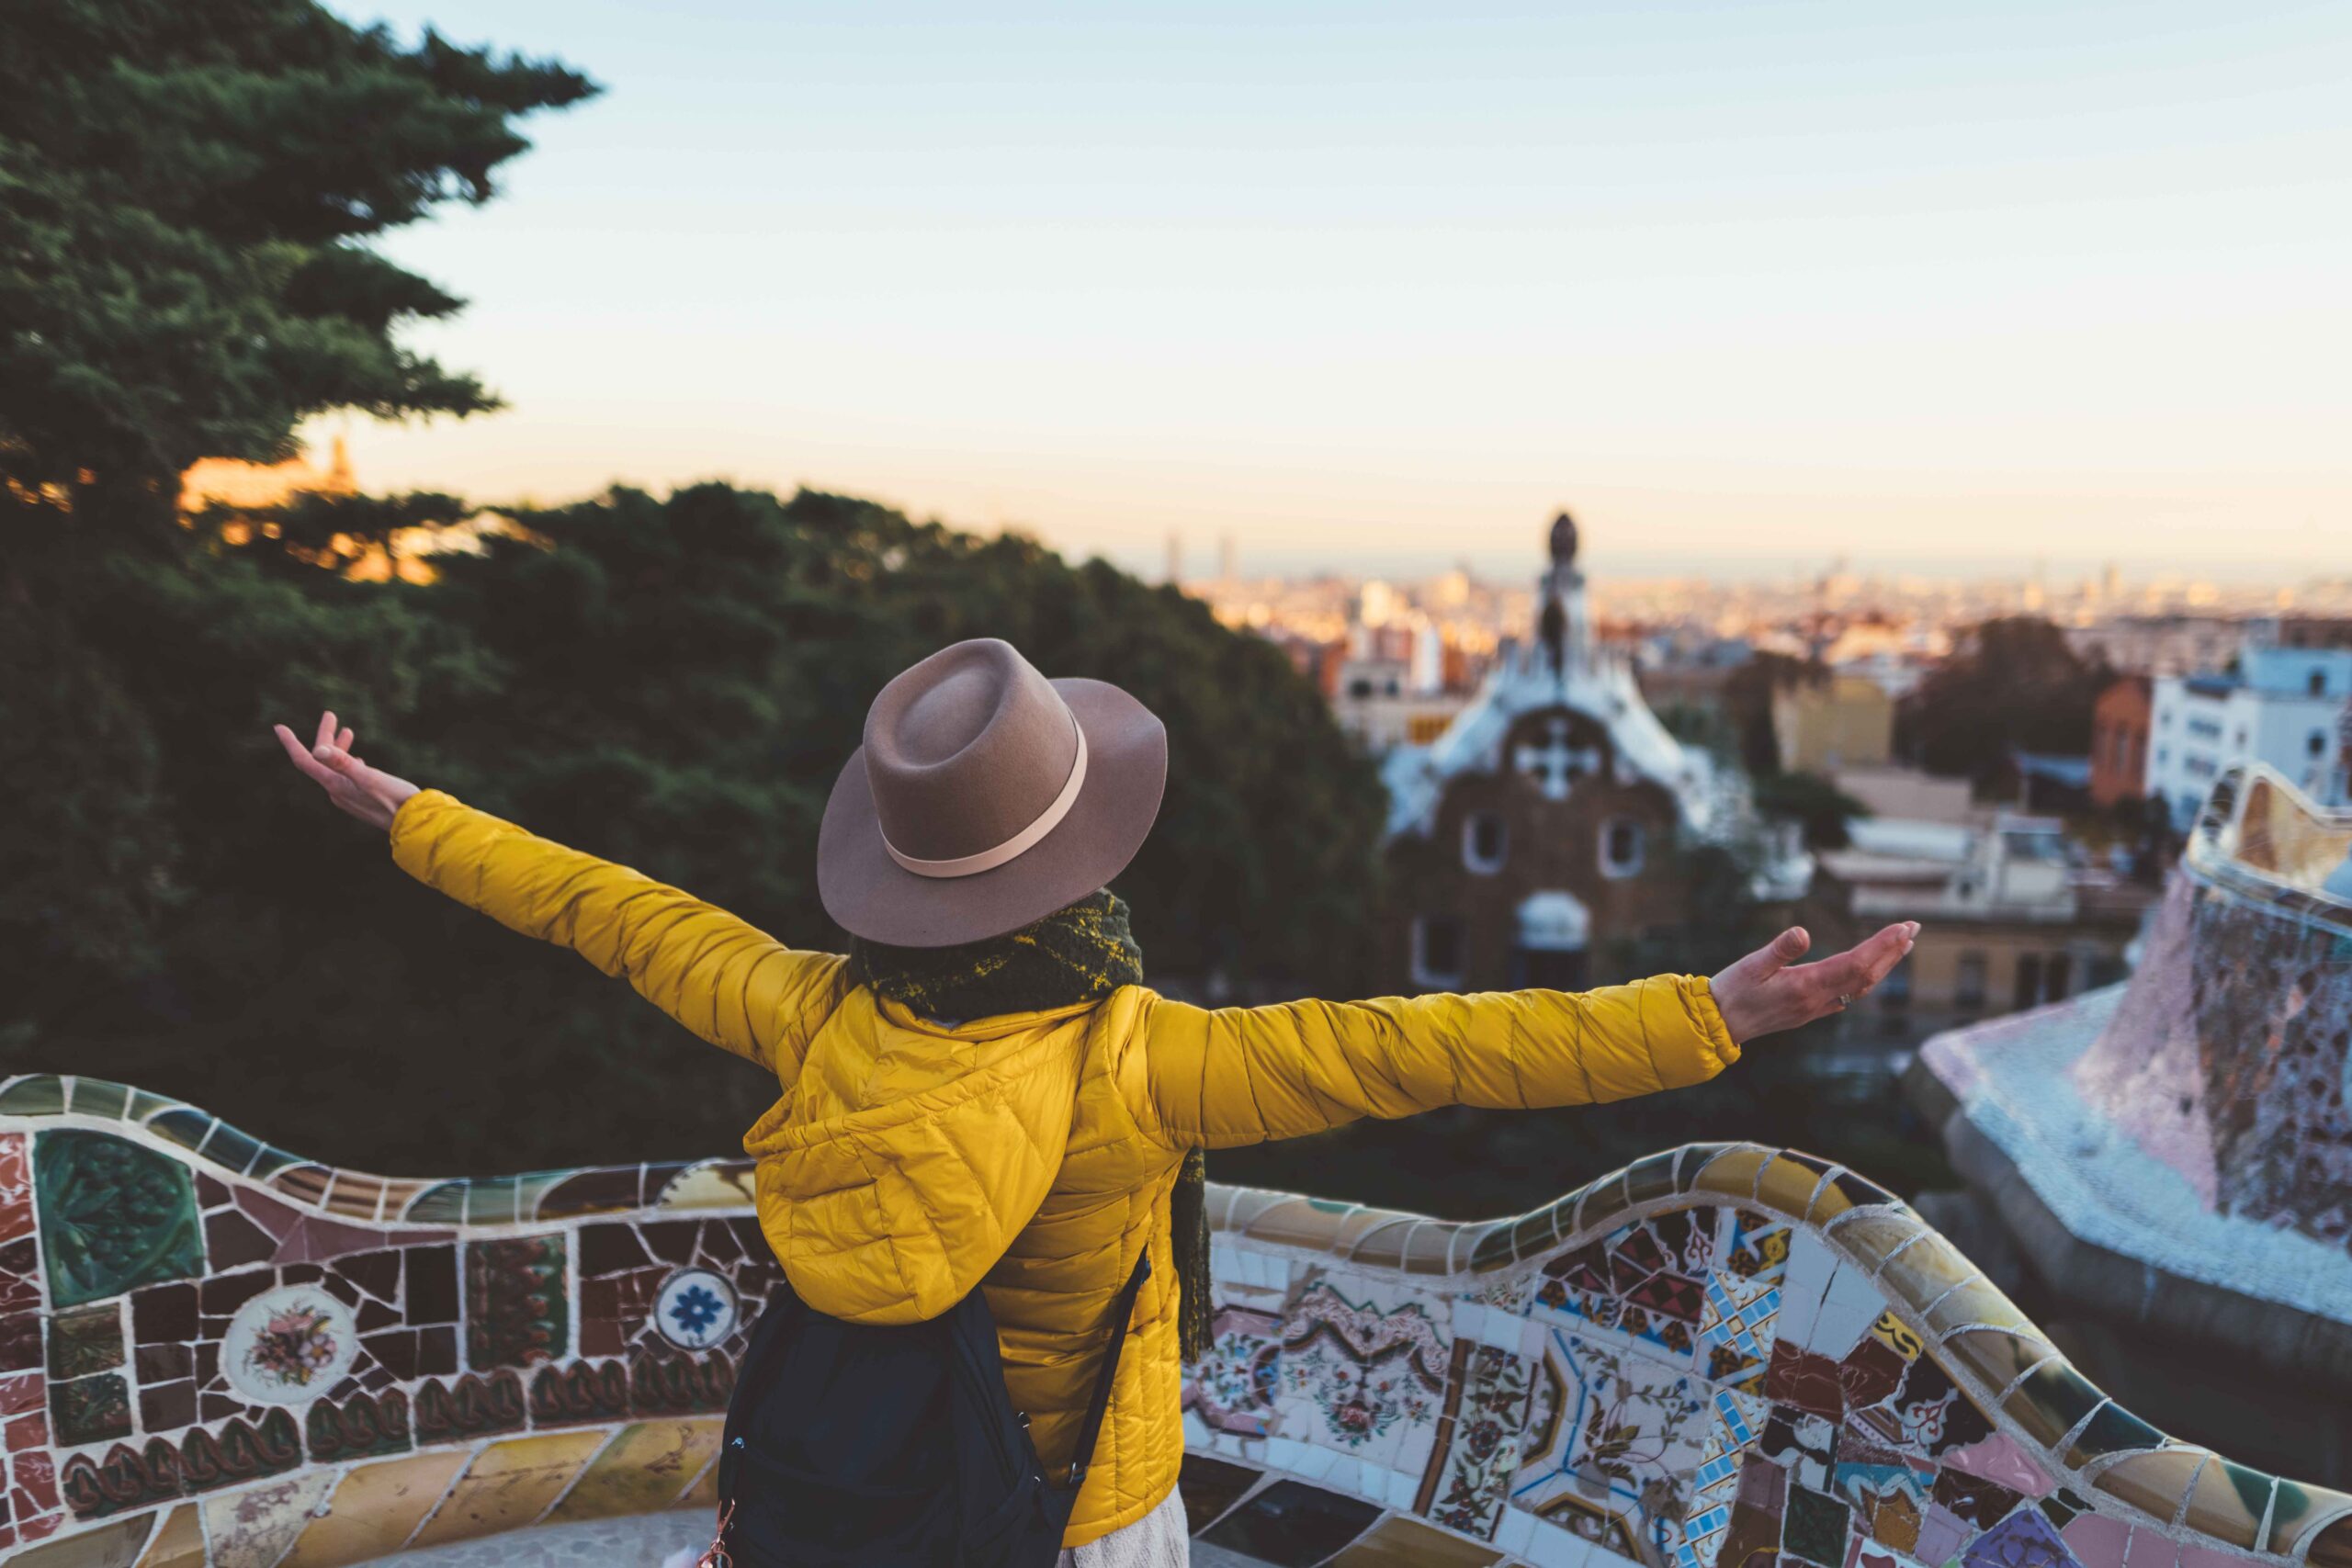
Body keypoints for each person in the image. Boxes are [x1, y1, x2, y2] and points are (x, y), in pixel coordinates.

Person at [276, 637, 1915, 1567]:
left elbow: (614, 911)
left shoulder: (810, 1015)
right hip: (1083, 1513)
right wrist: (1713, 1013)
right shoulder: (1145, 1061)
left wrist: (410, 811)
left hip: (852, 1497)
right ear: (1078, 867)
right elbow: (1432, 1043)